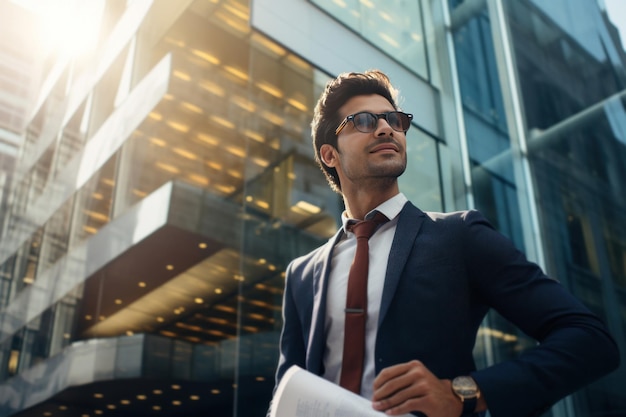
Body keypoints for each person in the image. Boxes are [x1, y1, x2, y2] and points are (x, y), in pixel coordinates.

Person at [271, 70, 620, 417]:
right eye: (363, 120)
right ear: (329, 155)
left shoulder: (459, 236)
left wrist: (466, 392)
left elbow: (589, 339)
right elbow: (287, 389)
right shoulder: (303, 274)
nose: (386, 128)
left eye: (393, 119)